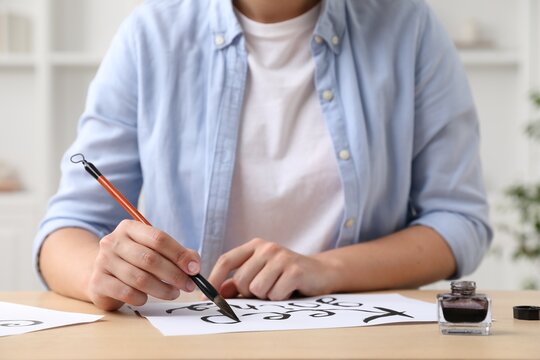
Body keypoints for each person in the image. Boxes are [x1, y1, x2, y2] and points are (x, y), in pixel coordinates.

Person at [34, 0, 492, 311]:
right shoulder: (152, 33)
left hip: (361, 344)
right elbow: (63, 232)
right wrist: (103, 274)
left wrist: (326, 270)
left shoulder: (407, 27)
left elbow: (457, 221)